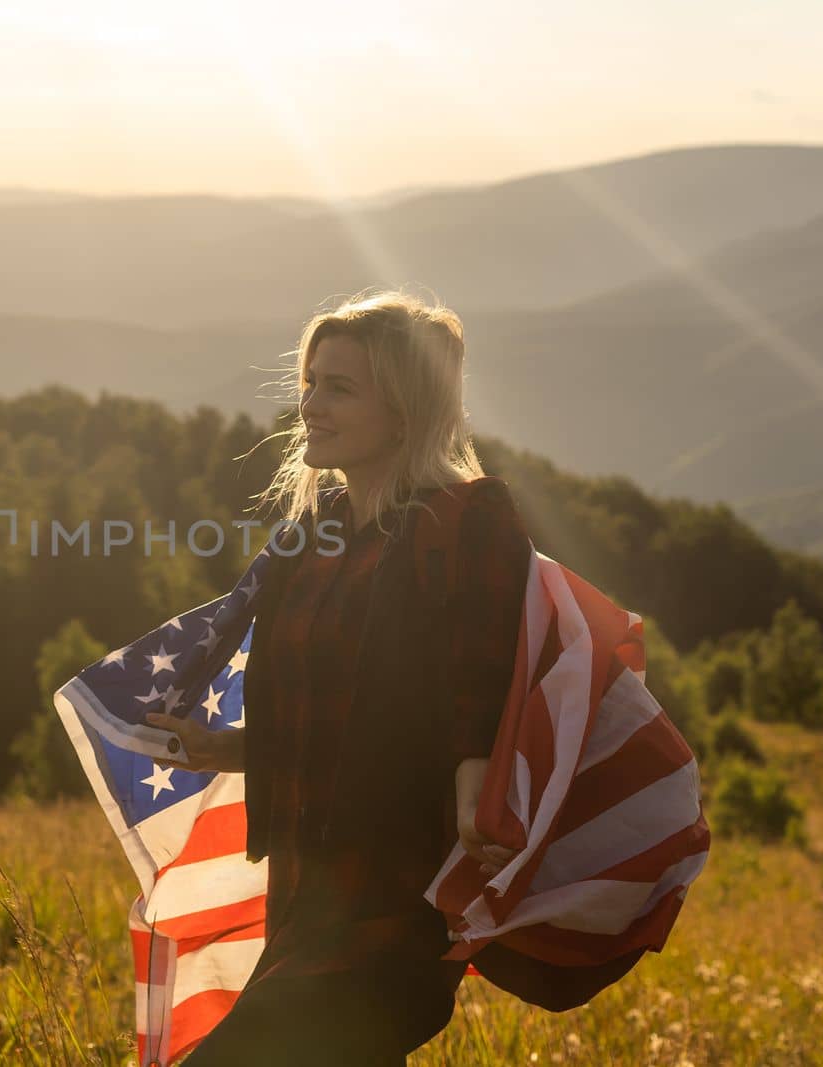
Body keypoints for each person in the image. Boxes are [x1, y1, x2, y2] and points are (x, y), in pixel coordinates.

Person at [143, 288, 542, 1064]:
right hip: (304, 892)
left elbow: (480, 670)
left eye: (340, 387)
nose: (311, 406)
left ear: (404, 409)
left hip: (396, 894)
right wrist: (218, 747)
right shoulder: (313, 538)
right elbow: (327, 716)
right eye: (311, 383)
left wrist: (475, 786)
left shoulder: (467, 521)